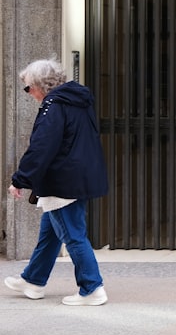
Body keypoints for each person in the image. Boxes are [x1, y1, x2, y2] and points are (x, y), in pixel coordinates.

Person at [5, 59, 110, 306]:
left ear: (41, 85)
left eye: (28, 87)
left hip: (63, 181)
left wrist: (20, 180)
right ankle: (33, 280)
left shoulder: (54, 106)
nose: (28, 93)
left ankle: (92, 288)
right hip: (77, 177)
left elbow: (42, 147)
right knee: (50, 233)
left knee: (73, 236)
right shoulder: (77, 102)